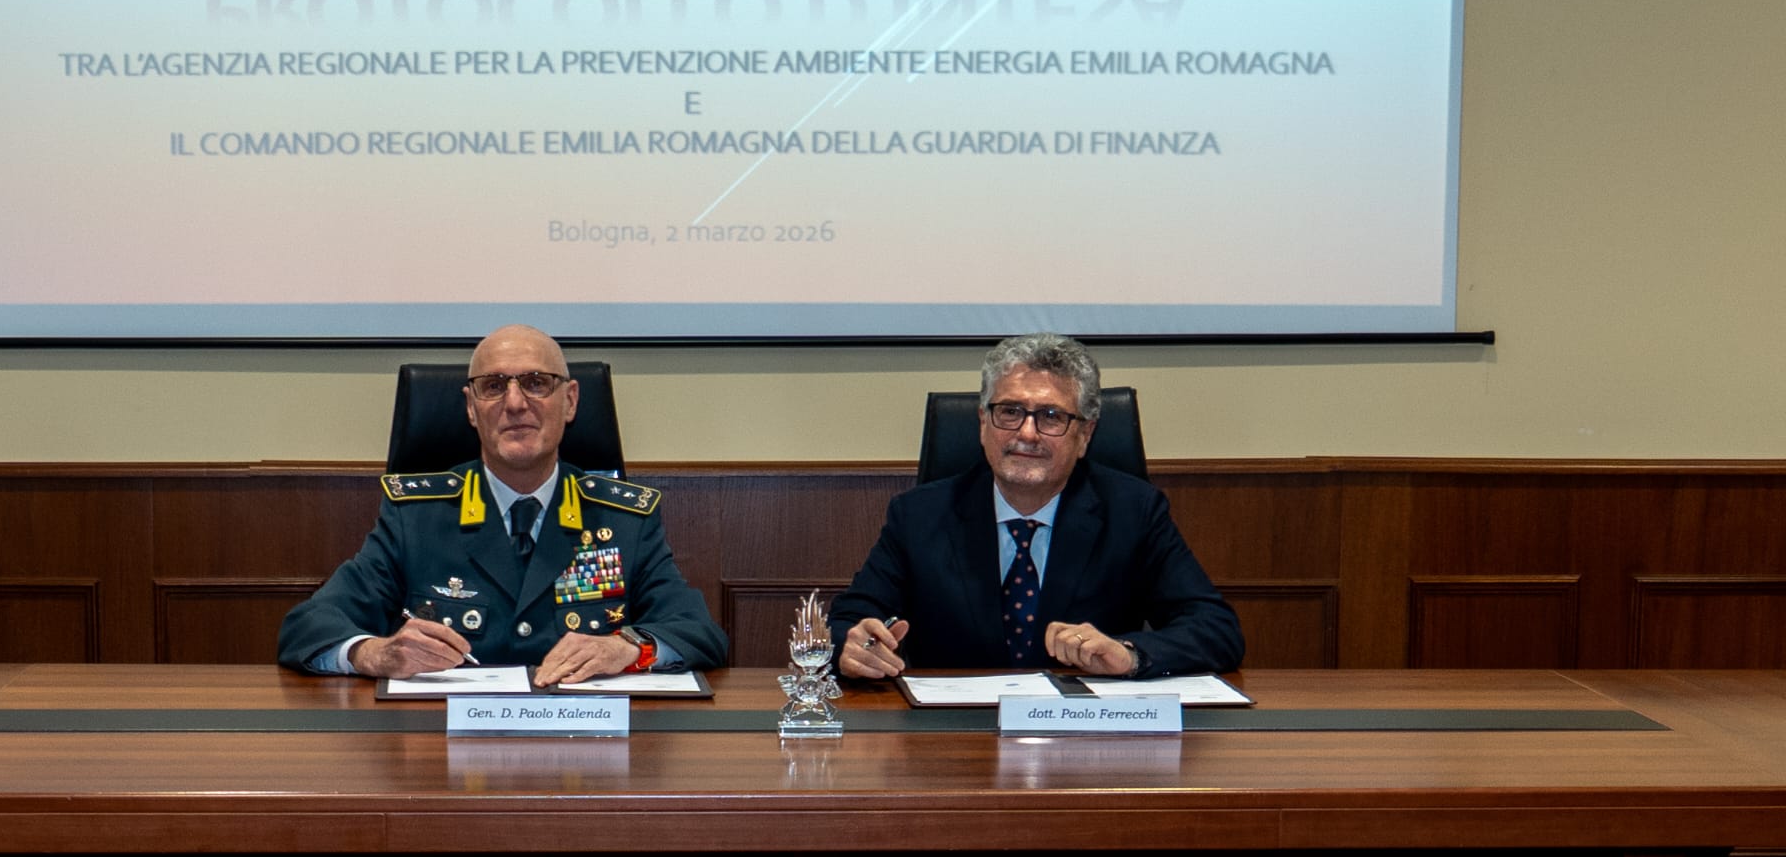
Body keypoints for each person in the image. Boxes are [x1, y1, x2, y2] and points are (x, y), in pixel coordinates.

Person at [279, 325, 728, 683]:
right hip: (444, 750)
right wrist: (374, 653)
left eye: (536, 383)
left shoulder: (624, 519)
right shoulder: (415, 518)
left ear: (570, 401)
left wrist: (627, 647)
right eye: (493, 386)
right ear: (471, 407)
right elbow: (309, 626)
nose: (515, 403)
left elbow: (698, 631)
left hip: (586, 746)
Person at [831, 332, 1242, 680]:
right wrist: (853, 644)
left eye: (1050, 416)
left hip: (1084, 734)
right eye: (1010, 412)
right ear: (982, 423)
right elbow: (848, 621)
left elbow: (1216, 630)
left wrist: (1129, 654)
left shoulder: (1133, 512)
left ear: (1085, 435)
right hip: (953, 733)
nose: (1027, 433)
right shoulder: (919, 515)